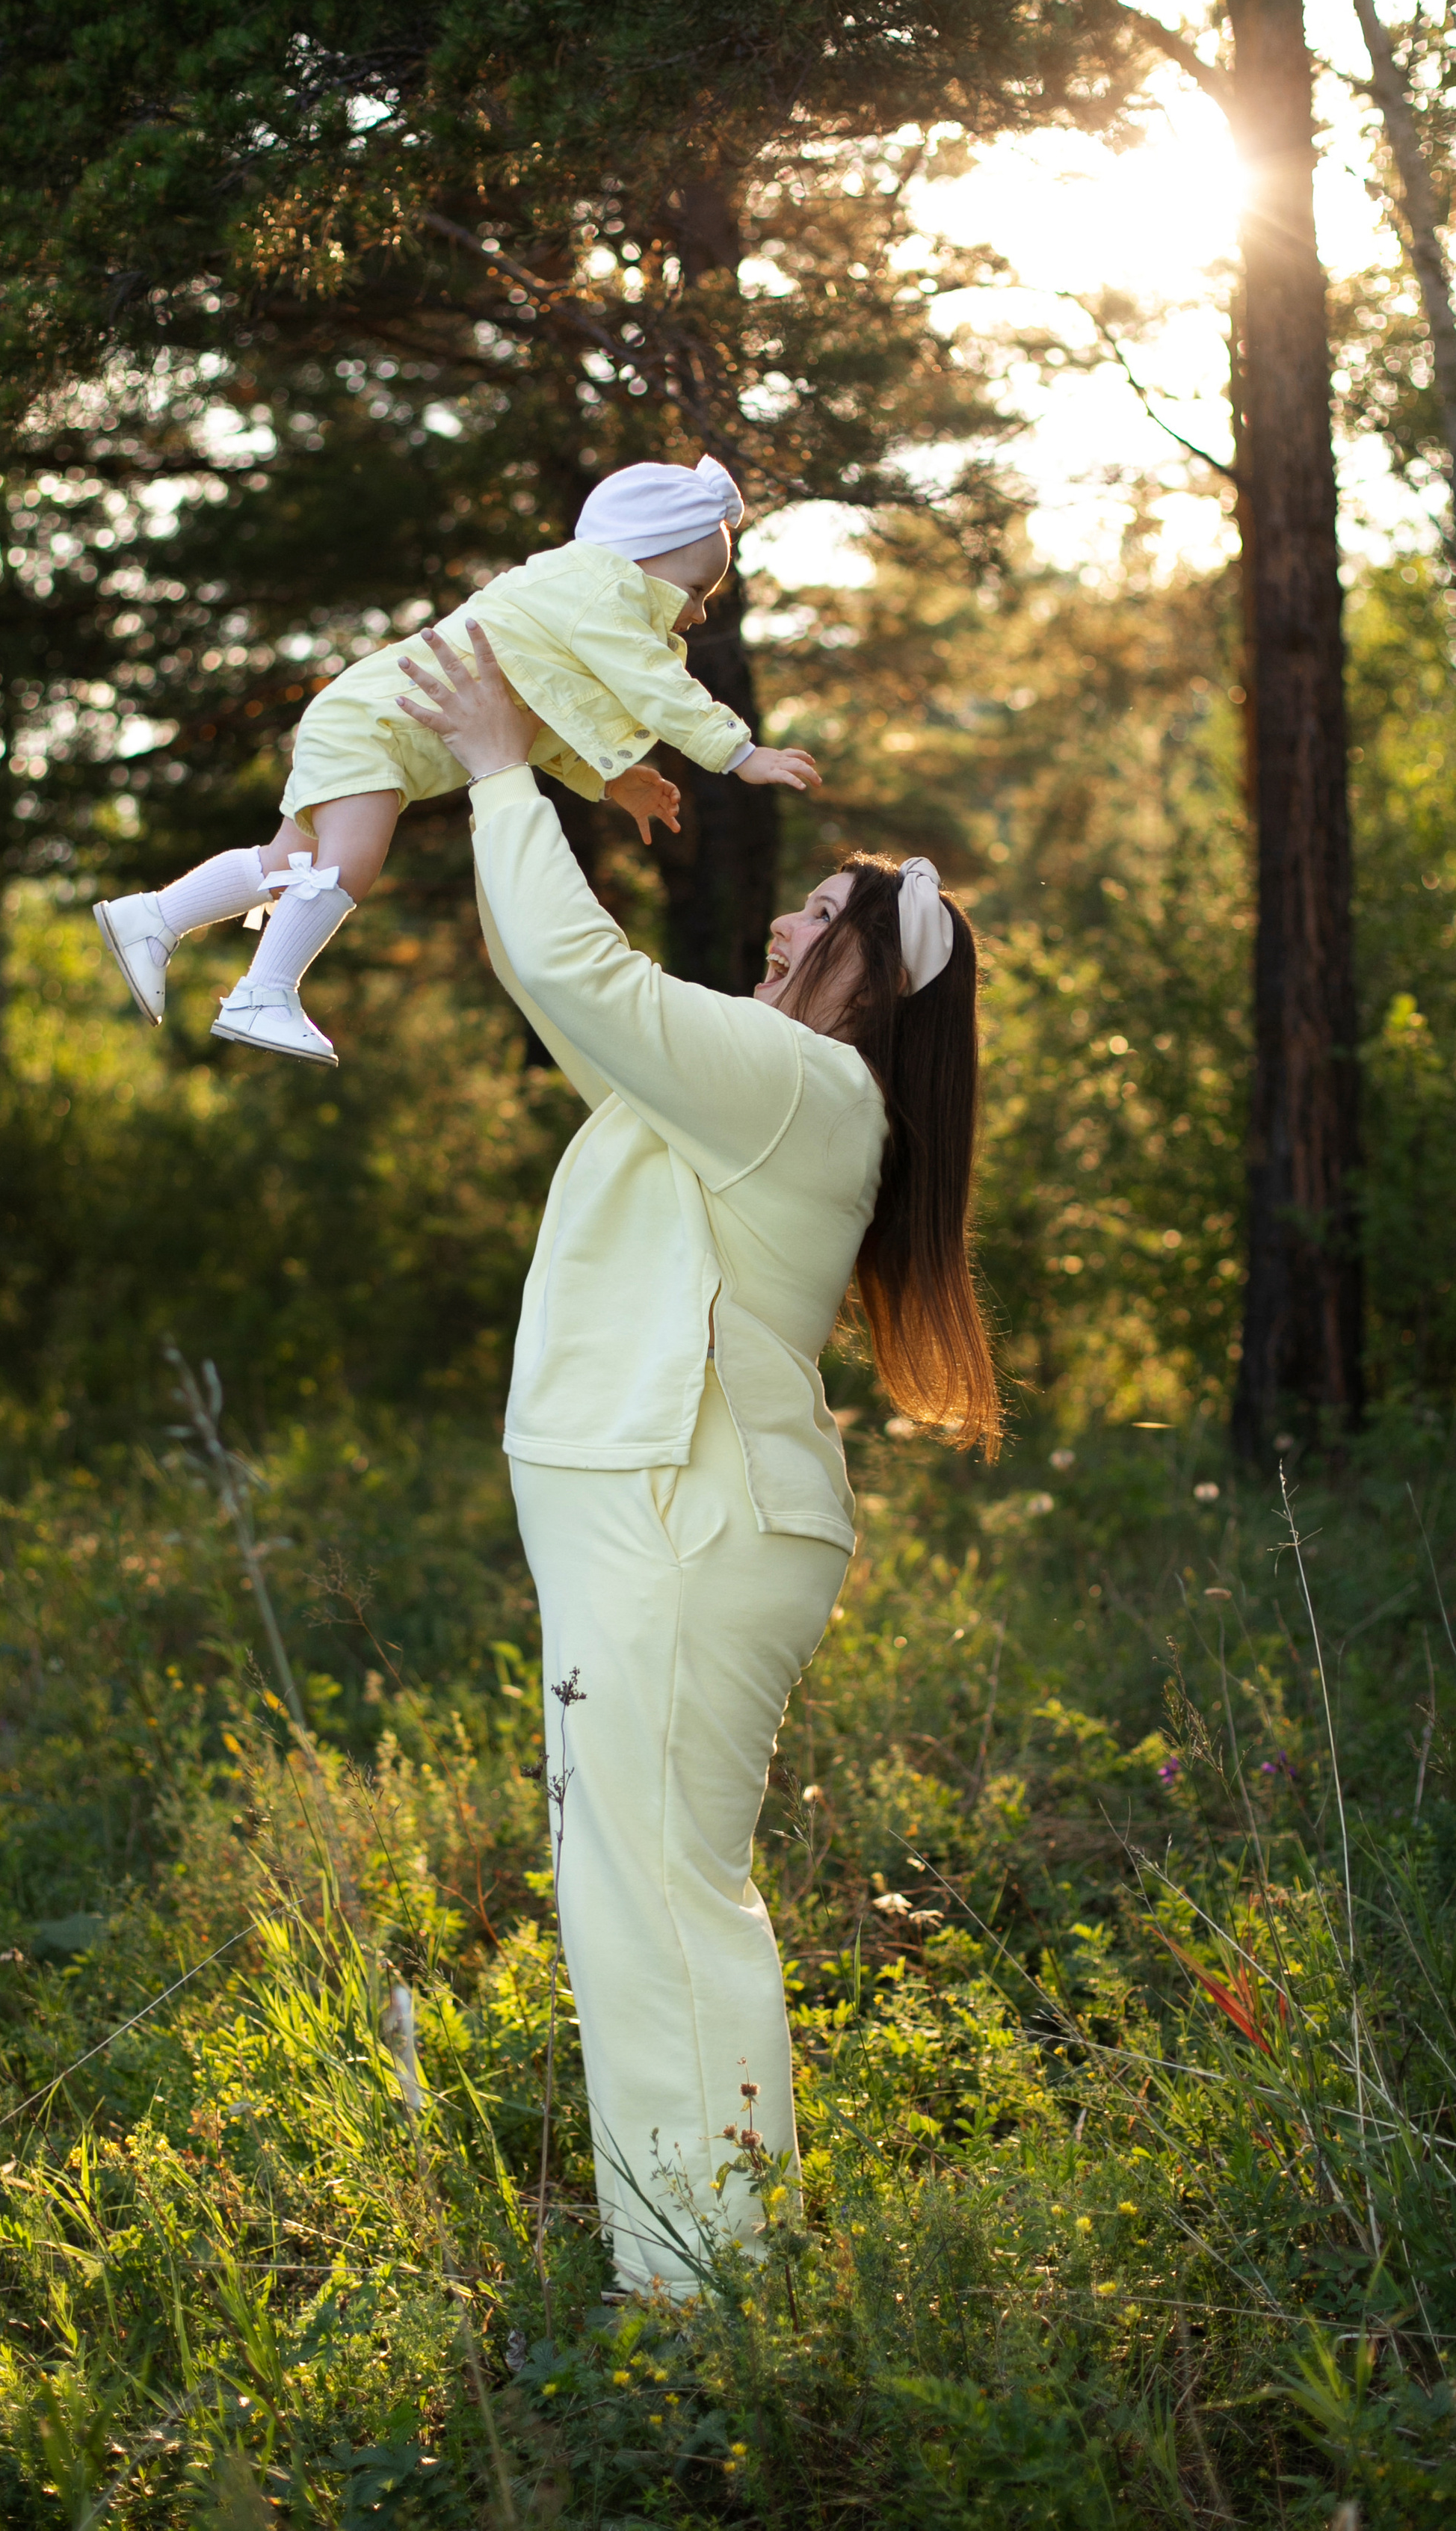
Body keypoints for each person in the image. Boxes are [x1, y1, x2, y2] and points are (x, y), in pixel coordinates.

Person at [392, 620, 1002, 2303]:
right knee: (641, 1892)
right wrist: (519, 785)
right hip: (666, 1518)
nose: (783, 925)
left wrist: (506, 770)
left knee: (654, 1896)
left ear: (869, 996)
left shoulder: (805, 1087)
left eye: (820, 925)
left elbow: (582, 979)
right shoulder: (743, 1088)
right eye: (797, 910)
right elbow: (571, 1004)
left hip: (690, 1517)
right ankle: (704, 2260)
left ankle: (703, 2298)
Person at [91, 454, 818, 1067]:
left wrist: (614, 780)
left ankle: (152, 917)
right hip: (379, 725)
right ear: (647, 553)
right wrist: (740, 753)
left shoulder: (576, 605)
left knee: (287, 863)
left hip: (370, 718)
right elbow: (654, 684)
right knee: (349, 861)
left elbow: (540, 720)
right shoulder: (597, 589)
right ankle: (263, 994)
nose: (695, 614)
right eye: (693, 590)